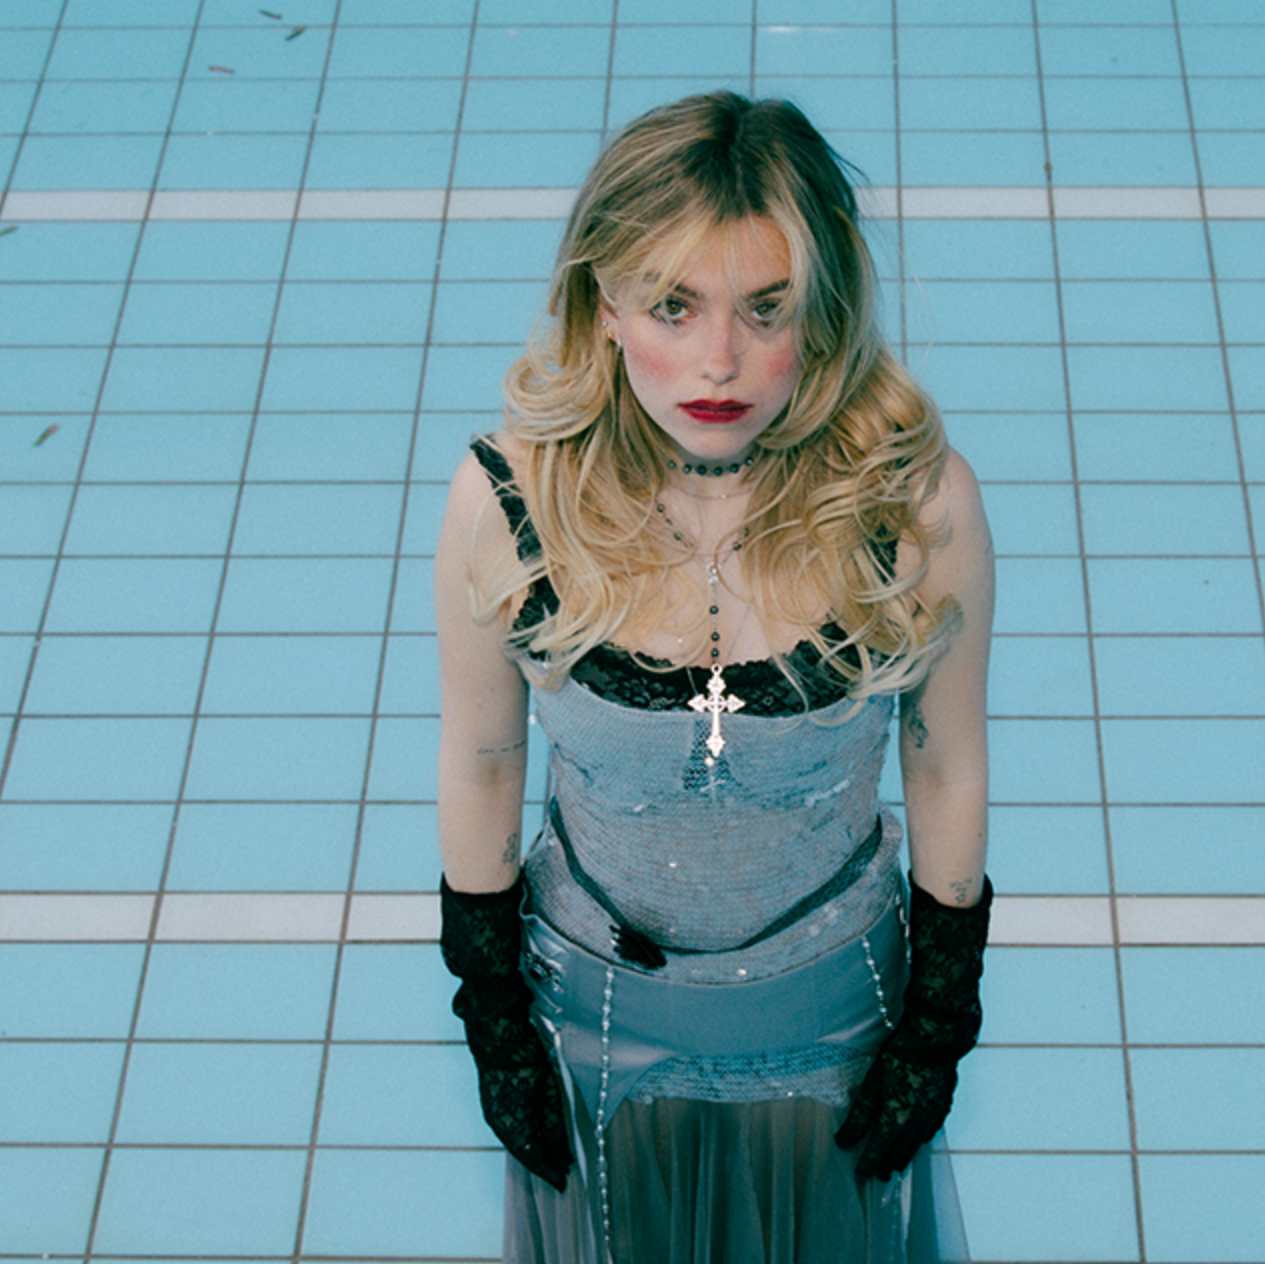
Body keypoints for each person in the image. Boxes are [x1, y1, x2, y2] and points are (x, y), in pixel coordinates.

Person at [433, 91, 994, 1264]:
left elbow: (943, 761)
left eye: (765, 307)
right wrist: (494, 1017)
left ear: (823, 311)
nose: (720, 361)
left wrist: (938, 1018)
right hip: (587, 1015)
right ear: (603, 304)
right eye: (674, 306)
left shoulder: (916, 504)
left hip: (838, 1017)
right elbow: (484, 756)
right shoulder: (506, 501)